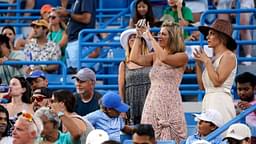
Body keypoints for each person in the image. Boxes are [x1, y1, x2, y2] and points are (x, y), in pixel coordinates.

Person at [130, 19, 188, 141]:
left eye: (163, 34)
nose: (159, 36)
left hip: (170, 102)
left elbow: (164, 58)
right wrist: (139, 35)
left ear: (173, 37)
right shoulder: (155, 55)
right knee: (148, 137)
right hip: (152, 100)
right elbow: (134, 58)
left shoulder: (182, 56)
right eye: (159, 33)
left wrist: (149, 36)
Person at [194, 19, 237, 124]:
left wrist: (207, 61)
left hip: (221, 102)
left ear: (222, 37)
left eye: (212, 34)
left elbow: (217, 82)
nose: (207, 37)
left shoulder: (229, 56)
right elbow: (202, 87)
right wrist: (199, 65)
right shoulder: (212, 59)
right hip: (208, 100)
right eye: (208, 34)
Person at [118, 28, 151, 125]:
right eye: (130, 38)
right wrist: (122, 109)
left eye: (136, 37)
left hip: (149, 100)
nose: (133, 39)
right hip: (131, 102)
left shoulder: (150, 61)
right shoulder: (124, 64)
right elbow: (121, 88)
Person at [56, 0, 97, 72]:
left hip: (79, 42)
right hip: (73, 41)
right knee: (74, 72)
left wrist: (68, 13)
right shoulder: (75, 2)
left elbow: (86, 18)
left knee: (81, 73)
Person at [234, 72, 256, 143]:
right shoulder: (233, 104)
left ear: (254, 88)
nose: (242, 93)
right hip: (236, 137)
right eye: (239, 89)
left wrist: (252, 108)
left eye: (246, 89)